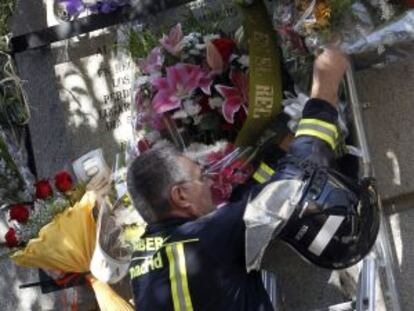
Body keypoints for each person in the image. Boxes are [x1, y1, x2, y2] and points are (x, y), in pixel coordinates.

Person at [126, 48, 376, 311]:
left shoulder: (142, 262)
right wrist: (324, 89)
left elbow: (241, 209)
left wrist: (276, 154)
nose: (210, 184)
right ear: (180, 196)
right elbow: (293, 187)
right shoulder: (203, 241)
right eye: (201, 178)